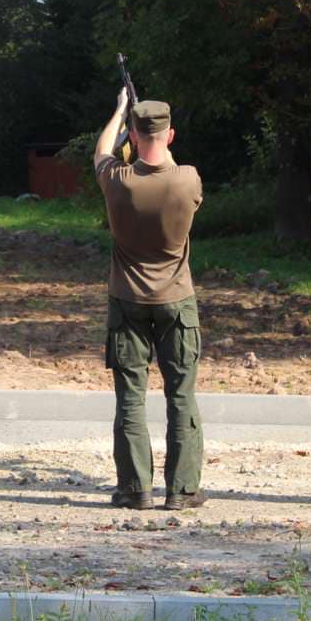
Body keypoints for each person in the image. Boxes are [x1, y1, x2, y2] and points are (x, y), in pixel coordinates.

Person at [93, 92, 206, 510]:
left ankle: (135, 488)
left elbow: (102, 151)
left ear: (134, 137)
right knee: (181, 396)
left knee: (131, 397)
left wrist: (119, 110)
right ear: (170, 135)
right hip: (177, 298)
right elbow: (170, 168)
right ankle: (182, 490)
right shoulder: (187, 178)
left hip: (127, 300)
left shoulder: (118, 180)